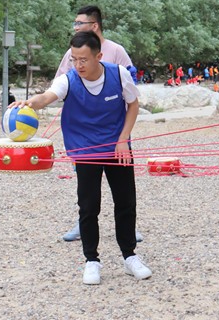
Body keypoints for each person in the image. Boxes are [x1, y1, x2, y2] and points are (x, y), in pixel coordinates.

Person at [14, 31, 151, 285]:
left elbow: (133, 104)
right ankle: (91, 260)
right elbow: (47, 97)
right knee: (89, 207)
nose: (78, 65)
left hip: (117, 147)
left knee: (125, 202)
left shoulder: (119, 74)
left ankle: (130, 256)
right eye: (74, 59)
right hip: (85, 149)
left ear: (98, 56)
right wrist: (30, 103)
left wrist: (123, 139)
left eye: (83, 59)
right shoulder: (68, 80)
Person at [54, 6, 141, 244]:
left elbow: (131, 92)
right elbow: (59, 86)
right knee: (88, 197)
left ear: (94, 26)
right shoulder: (73, 53)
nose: (75, 27)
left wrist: (123, 137)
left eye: (79, 23)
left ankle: (128, 233)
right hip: (84, 139)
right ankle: (84, 232)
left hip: (115, 136)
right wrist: (32, 102)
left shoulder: (117, 52)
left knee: (124, 195)